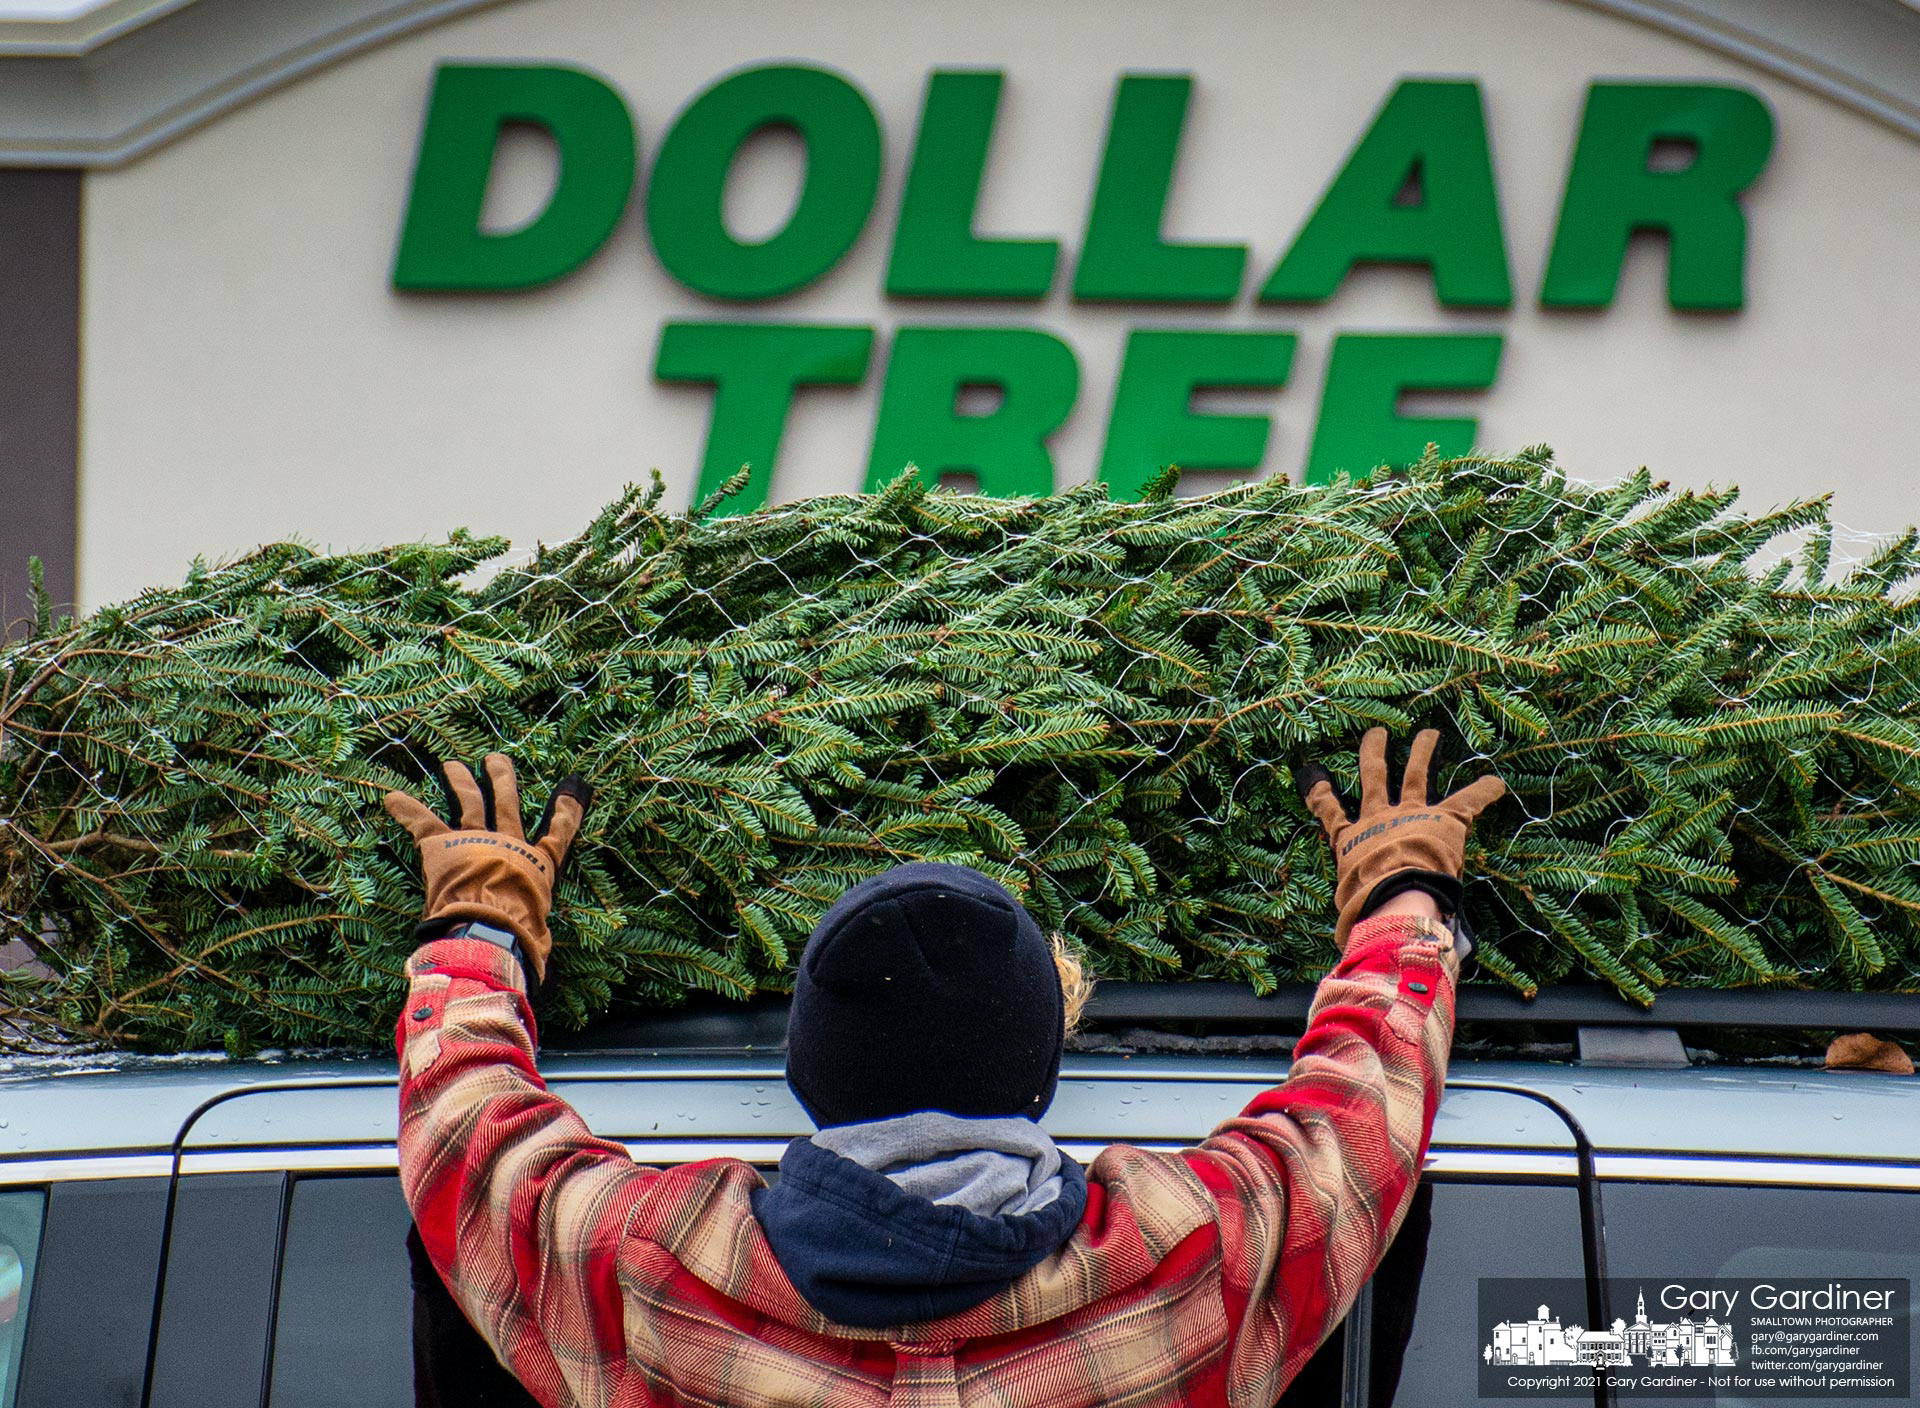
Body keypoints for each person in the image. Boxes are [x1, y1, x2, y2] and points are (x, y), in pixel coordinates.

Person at [386, 727, 1504, 1408]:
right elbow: (1363, 1109)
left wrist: (482, 930)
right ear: (1041, 1067)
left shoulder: (655, 1266)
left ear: (808, 1073)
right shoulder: (1188, 1253)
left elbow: (467, 1132)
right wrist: (1404, 902)